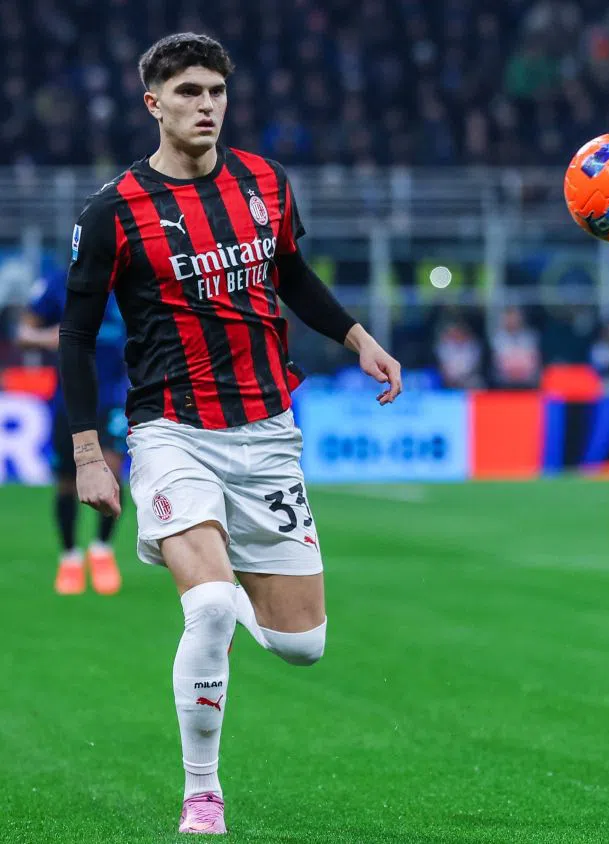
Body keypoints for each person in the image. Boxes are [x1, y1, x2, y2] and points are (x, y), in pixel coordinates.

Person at [58, 33, 403, 836]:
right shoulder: (113, 211)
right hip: (171, 430)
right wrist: (88, 455)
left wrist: (359, 338)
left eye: (216, 91)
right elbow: (76, 335)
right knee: (210, 606)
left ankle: (235, 589)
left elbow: (291, 277)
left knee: (302, 646)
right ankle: (202, 793)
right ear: (154, 103)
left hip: (268, 431)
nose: (206, 105)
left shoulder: (264, 181)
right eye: (188, 92)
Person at [18, 263, 128, 595]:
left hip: (113, 394)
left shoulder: (127, 279)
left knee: (112, 469)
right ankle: (69, 557)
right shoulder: (58, 283)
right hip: (69, 397)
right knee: (68, 480)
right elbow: (23, 333)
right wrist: (48, 337)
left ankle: (102, 550)